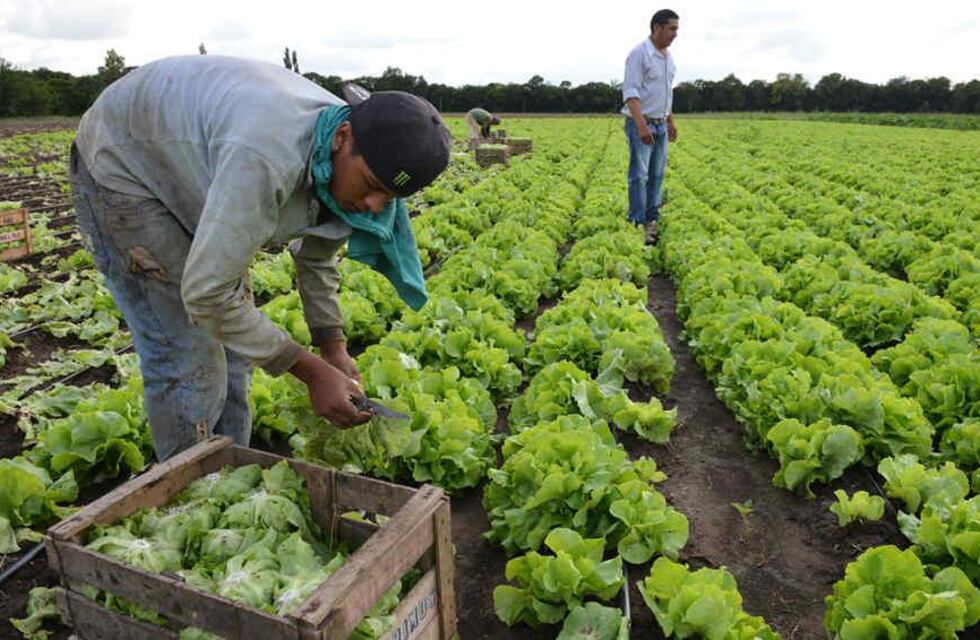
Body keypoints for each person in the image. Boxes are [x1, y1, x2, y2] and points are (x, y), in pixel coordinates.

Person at [69, 55, 451, 461]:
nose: (375, 205)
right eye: (372, 186)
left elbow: (317, 256)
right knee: (187, 352)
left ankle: (232, 468)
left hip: (199, 159)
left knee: (235, 350)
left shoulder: (349, 166)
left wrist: (332, 347)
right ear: (342, 137)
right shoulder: (267, 154)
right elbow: (206, 296)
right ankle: (187, 489)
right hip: (125, 160)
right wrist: (309, 371)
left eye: (389, 198)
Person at [621, 9, 679, 244]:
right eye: (672, 29)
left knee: (657, 175)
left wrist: (670, 121)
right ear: (657, 27)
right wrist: (641, 126)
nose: (675, 34)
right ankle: (637, 222)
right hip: (641, 123)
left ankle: (651, 220)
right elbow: (631, 93)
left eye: (676, 29)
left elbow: (666, 93)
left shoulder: (668, 58)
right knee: (639, 175)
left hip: (660, 125)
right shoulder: (640, 54)